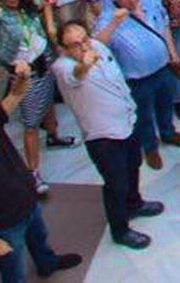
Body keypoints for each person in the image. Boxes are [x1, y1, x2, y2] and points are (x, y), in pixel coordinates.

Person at [0, 64, 88, 282]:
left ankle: (47, 263)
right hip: (7, 225)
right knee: (14, 269)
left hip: (29, 204)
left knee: (40, 238)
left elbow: (16, 94)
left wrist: (22, 76)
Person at [49, 22, 159, 251]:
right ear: (64, 49)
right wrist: (85, 64)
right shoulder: (63, 67)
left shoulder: (98, 46)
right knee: (115, 183)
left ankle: (134, 203)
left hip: (127, 121)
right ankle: (120, 229)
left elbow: (103, 40)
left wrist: (117, 22)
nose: (83, 47)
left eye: (84, 40)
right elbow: (75, 76)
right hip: (103, 136)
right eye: (75, 45)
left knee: (133, 166)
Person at [0, 0, 68, 195]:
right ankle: (33, 171)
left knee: (48, 99)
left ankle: (53, 134)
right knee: (30, 122)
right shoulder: (0, 13)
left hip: (44, 60)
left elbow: (46, 4)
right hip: (24, 71)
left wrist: (50, 28)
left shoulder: (29, 0)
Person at [94, 0, 180, 170]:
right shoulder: (108, 16)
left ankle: (168, 132)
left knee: (165, 103)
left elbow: (163, 24)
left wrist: (173, 53)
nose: (133, 0)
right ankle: (150, 146)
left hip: (163, 67)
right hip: (138, 79)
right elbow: (97, 46)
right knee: (143, 115)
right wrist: (114, 24)